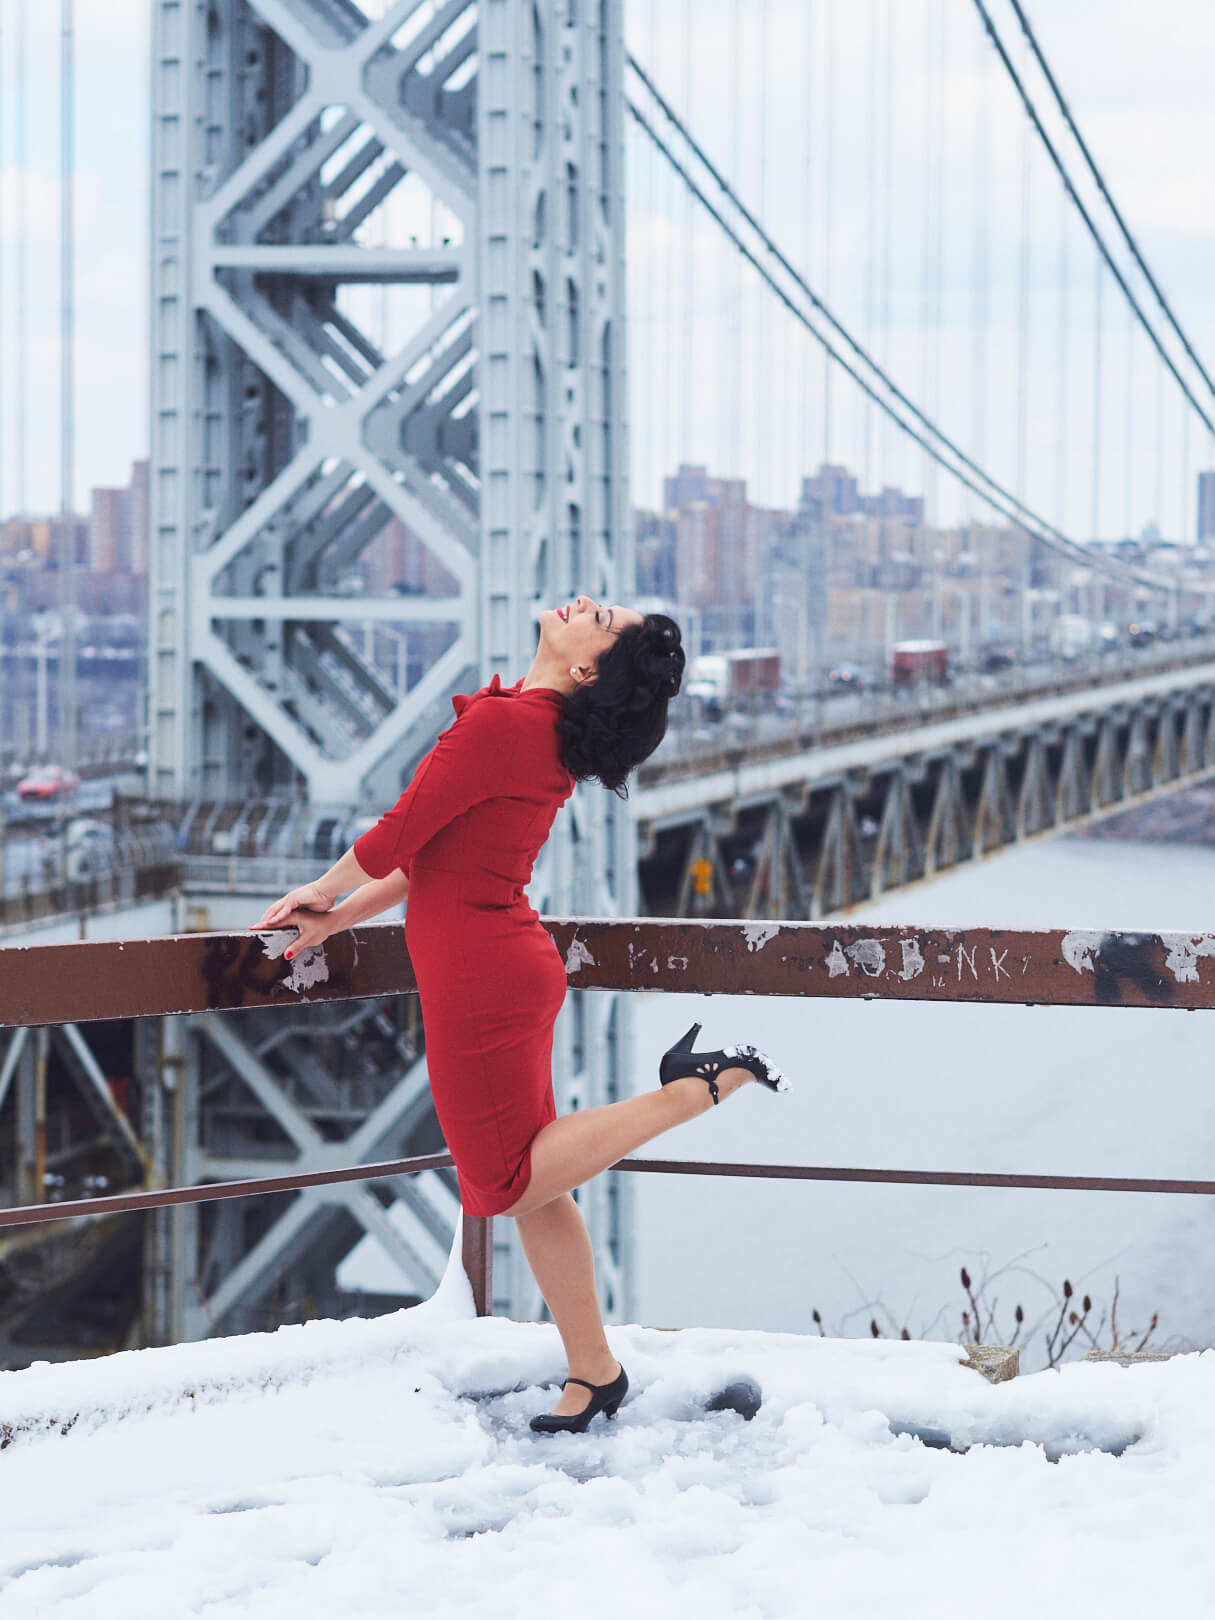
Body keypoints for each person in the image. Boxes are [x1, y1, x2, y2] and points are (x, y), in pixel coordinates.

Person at [253, 596, 788, 1434]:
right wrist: (341, 914)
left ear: (586, 670)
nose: (585, 605)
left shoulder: (504, 728)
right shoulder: (527, 729)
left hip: (479, 974)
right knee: (540, 1189)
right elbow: (433, 858)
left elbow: (398, 835)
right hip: (499, 964)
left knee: (501, 1185)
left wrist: (322, 886)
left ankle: (693, 1090)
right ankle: (595, 1371)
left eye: (603, 620)